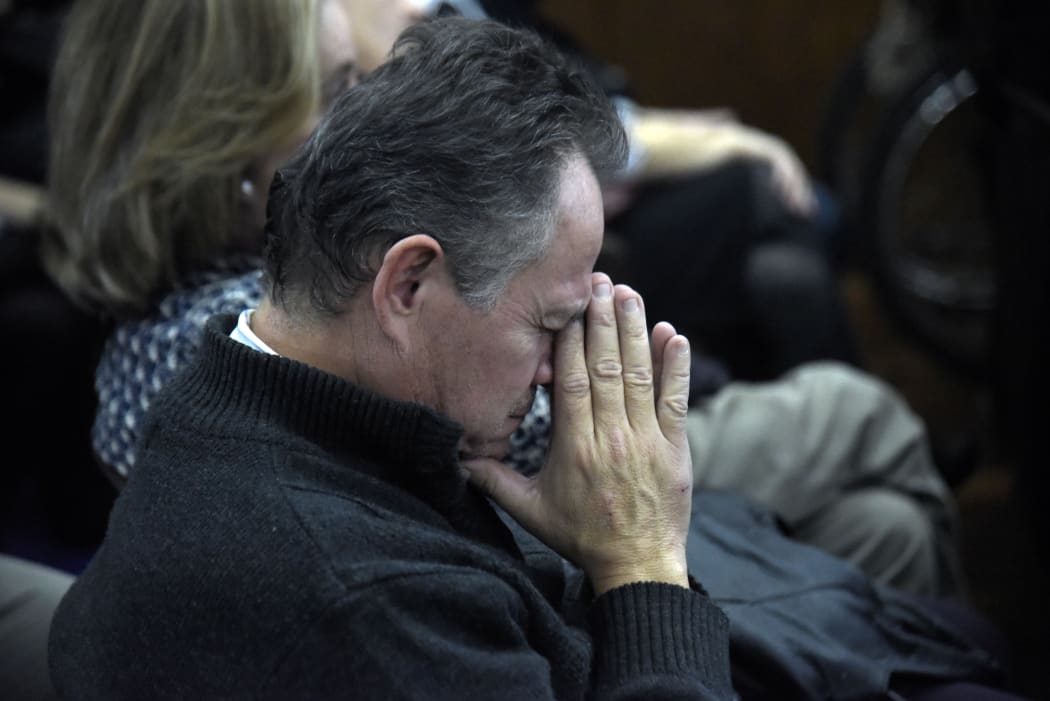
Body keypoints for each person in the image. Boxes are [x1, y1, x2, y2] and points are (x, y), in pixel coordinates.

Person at [48, 19, 1019, 699]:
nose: (567, 366)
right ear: (408, 286)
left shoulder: (280, 396)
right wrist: (638, 564)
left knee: (880, 528)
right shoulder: (359, 601)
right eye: (551, 323)